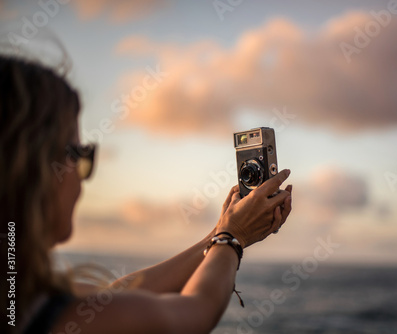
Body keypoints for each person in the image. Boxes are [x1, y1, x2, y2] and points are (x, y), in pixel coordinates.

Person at [0, 55, 292, 334]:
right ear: (31, 168)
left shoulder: (15, 296)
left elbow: (114, 295)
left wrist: (220, 232)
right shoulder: (45, 316)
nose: (80, 177)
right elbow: (194, 313)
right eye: (78, 153)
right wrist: (232, 238)